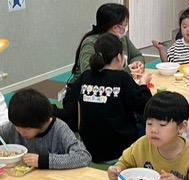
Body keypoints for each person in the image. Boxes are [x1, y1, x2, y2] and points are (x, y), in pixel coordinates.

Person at [108, 91, 189, 180]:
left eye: (162, 124)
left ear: (181, 127)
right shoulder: (142, 145)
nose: (153, 130)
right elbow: (124, 163)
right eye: (149, 123)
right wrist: (116, 170)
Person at [60, 3, 145, 132]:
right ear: (115, 27)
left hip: (113, 89)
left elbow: (137, 55)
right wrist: (127, 71)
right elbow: (90, 74)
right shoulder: (91, 43)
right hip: (88, 94)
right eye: (125, 24)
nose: (126, 28)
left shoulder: (122, 39)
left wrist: (137, 63)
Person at [78, 33, 153, 163]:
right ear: (119, 57)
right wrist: (143, 84)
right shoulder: (122, 78)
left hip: (89, 148)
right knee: (147, 118)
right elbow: (145, 104)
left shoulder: (86, 76)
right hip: (119, 150)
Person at [0, 89, 91, 170]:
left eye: (26, 129)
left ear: (43, 121)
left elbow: (83, 157)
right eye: (17, 127)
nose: (20, 132)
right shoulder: (14, 126)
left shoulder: (59, 129)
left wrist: (43, 161)